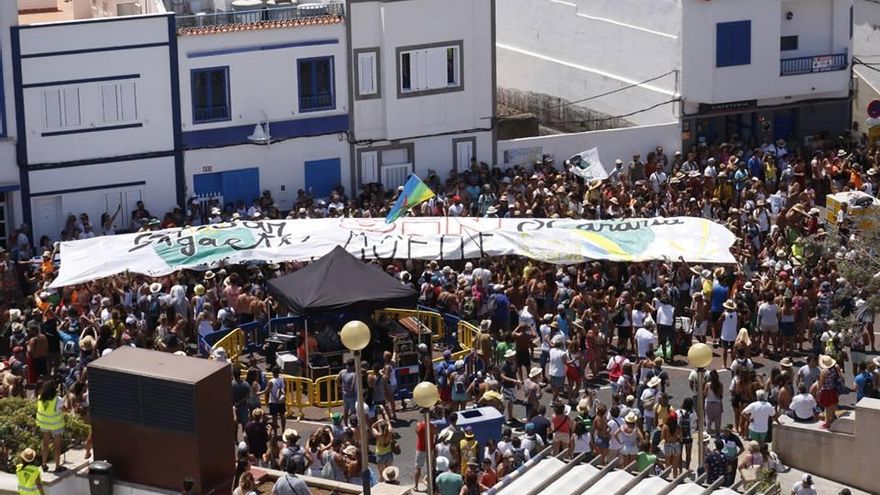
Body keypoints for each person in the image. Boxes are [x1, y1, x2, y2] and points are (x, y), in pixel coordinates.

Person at [35, 380, 65, 472]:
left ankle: (44, 464)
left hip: (44, 425)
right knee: (57, 446)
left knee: (45, 444)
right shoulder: (58, 400)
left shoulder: (40, 397)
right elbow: (64, 409)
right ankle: (57, 466)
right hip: (56, 425)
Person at [266, 367, 287, 432]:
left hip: (273, 401)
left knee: (274, 417)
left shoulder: (270, 382)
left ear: (272, 373)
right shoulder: (282, 380)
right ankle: (283, 430)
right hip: (281, 401)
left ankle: (275, 433)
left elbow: (267, 392)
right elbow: (285, 389)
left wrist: (266, 402)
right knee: (282, 416)